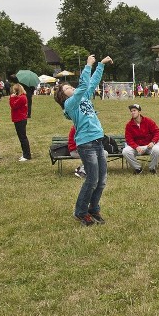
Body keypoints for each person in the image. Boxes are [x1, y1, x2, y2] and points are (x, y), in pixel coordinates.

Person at [54, 55, 112, 226]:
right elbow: (84, 85)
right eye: (67, 88)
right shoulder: (70, 104)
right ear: (64, 96)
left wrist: (100, 65)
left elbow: (92, 83)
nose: (71, 88)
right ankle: (80, 212)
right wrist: (88, 65)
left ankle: (94, 209)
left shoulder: (83, 97)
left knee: (101, 180)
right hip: (86, 145)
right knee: (92, 180)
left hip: (97, 141)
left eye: (70, 86)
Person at [123, 103, 159, 174]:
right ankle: (138, 168)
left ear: (139, 112)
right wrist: (136, 147)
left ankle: (152, 168)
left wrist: (153, 142)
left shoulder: (148, 121)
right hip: (137, 147)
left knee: (157, 149)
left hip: (148, 146)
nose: (132, 112)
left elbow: (157, 132)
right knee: (125, 151)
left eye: (134, 110)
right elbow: (128, 139)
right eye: (131, 111)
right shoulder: (129, 125)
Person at [9, 84, 31, 161]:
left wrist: (11, 98)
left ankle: (27, 155)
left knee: (22, 137)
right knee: (21, 137)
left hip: (20, 119)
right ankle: (25, 153)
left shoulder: (22, 98)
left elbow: (13, 106)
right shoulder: (21, 97)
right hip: (19, 118)